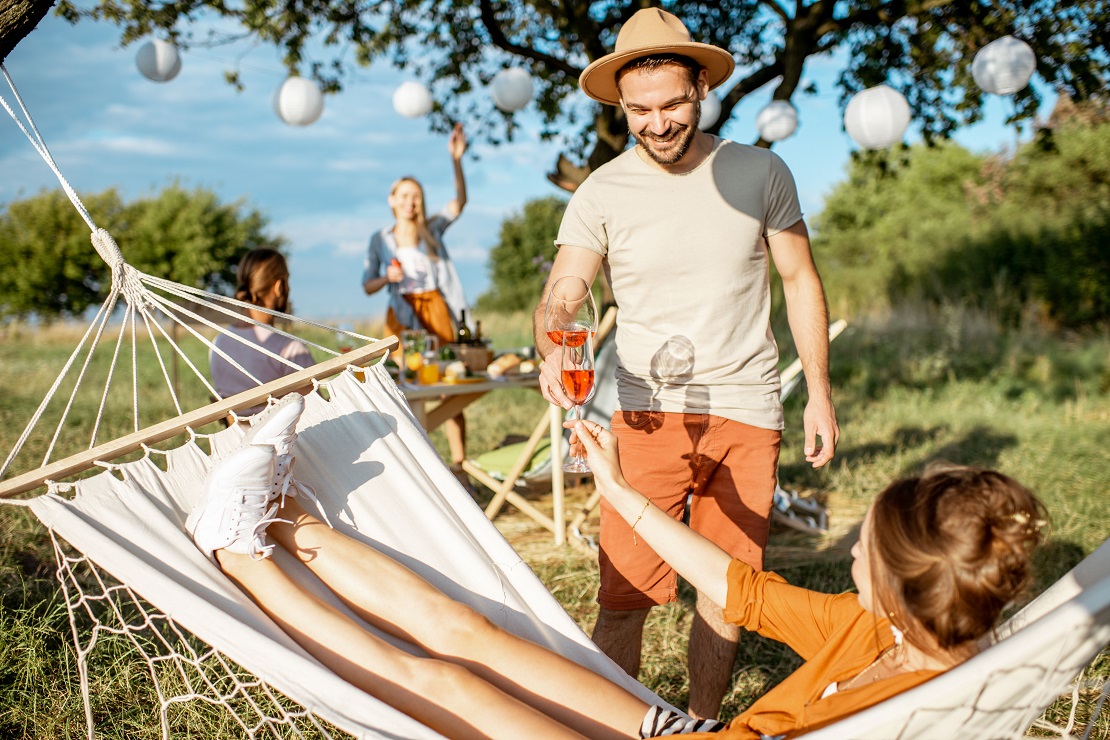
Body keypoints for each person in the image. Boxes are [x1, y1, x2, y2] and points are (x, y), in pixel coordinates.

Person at [186, 394, 1046, 739]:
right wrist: (622, 492)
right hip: (690, 736)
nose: (850, 543)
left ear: (897, 578)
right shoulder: (880, 626)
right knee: (469, 631)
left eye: (863, 543)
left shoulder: (928, 712)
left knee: (447, 683)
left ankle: (235, 551)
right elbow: (737, 586)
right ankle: (284, 518)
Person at [532, 8, 839, 717]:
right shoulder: (601, 192)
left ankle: (703, 724)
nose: (657, 122)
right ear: (620, 106)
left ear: (701, 89)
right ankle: (610, 726)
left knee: (728, 588)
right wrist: (555, 339)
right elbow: (565, 291)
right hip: (643, 416)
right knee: (622, 595)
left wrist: (818, 392)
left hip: (747, 408)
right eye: (639, 110)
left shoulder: (760, 171)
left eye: (672, 104)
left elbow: (800, 279)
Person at [362, 122, 471, 472]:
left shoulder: (432, 229)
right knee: (401, 390)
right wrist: (386, 277)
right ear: (392, 200)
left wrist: (456, 160)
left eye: (416, 196)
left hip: (435, 311)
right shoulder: (380, 239)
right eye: (404, 195)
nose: (411, 201)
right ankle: (414, 469)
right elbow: (367, 285)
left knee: (446, 389)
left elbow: (460, 202)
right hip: (401, 316)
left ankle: (458, 466)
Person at [210, 248, 315, 416]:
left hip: (233, 441)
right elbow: (318, 412)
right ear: (279, 286)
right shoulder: (290, 350)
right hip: (283, 442)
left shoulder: (218, 343)